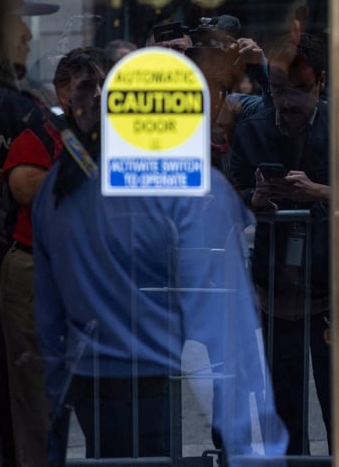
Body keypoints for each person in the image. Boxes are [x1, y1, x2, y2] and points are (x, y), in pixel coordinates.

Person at [32, 45, 288, 464]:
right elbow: (227, 328)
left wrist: (56, 403)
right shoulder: (174, 186)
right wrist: (255, 449)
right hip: (146, 371)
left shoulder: (60, 187)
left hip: (92, 374)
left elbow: (49, 314)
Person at [0, 47, 110, 467]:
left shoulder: (113, 138)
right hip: (36, 275)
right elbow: (24, 185)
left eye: (103, 84)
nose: (97, 94)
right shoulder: (44, 132)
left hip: (93, 278)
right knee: (38, 398)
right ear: (64, 94)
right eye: (86, 86)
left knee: (99, 395)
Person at [229, 32, 333, 456]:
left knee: (338, 401)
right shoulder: (252, 128)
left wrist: (321, 193)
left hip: (330, 287)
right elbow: (230, 193)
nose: (287, 103)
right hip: (274, 288)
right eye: (278, 90)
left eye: (300, 91)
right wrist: (252, 200)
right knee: (285, 405)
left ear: (321, 83)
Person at [0, 0, 59, 467]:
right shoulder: (20, 111)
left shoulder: (17, 105)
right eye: (16, 19)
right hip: (4, 285)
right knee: (18, 410)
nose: (28, 34)